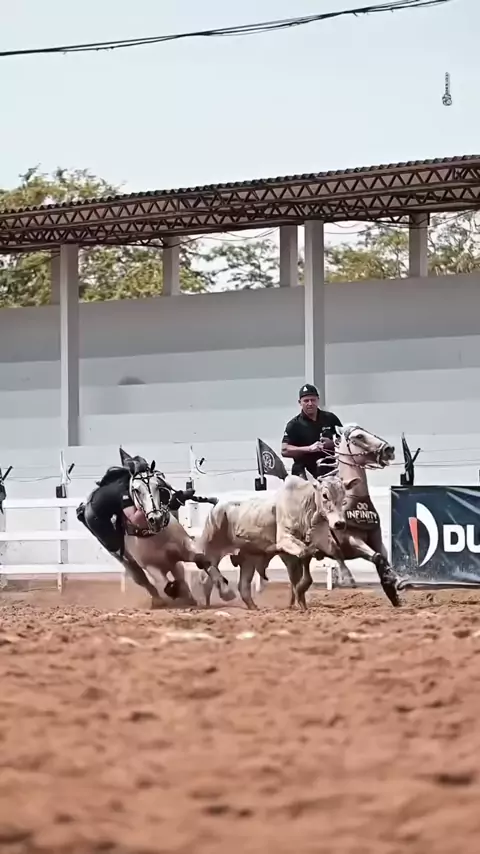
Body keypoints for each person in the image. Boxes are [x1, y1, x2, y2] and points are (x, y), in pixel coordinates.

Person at [76, 455, 196, 559]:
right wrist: (167, 505)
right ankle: (83, 518)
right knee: (115, 546)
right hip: (95, 515)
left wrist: (179, 496)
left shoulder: (141, 481)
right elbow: (135, 519)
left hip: (111, 503)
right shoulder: (124, 490)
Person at [281, 383, 342, 479]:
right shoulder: (294, 424)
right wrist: (309, 448)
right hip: (304, 472)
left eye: (313, 400)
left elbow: (345, 442)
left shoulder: (330, 418)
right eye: (306, 401)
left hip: (330, 470)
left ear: (318, 400)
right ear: (300, 402)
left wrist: (332, 443)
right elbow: (284, 450)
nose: (310, 403)